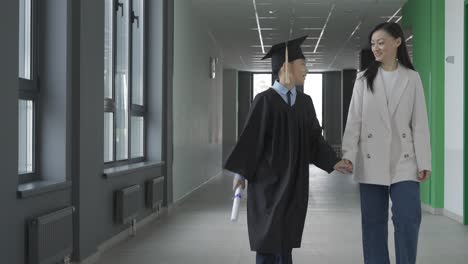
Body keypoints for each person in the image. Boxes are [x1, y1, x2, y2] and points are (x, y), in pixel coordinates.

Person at [224, 35, 350, 264]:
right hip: (267, 184)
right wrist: (240, 173)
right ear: (286, 67)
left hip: (294, 182)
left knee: (285, 239)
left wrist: (333, 161)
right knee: (268, 240)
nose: (307, 70)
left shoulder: (305, 103)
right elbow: (250, 140)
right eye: (303, 64)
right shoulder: (264, 101)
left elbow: (314, 139)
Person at [340, 22, 431, 264]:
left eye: (381, 42)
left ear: (397, 42)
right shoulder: (362, 79)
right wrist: (348, 155)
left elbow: (420, 123)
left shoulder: (412, 78)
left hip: (405, 161)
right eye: (373, 44)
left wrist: (424, 160)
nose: (376, 48)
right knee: (373, 224)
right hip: (370, 161)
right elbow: (354, 122)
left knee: (408, 219)